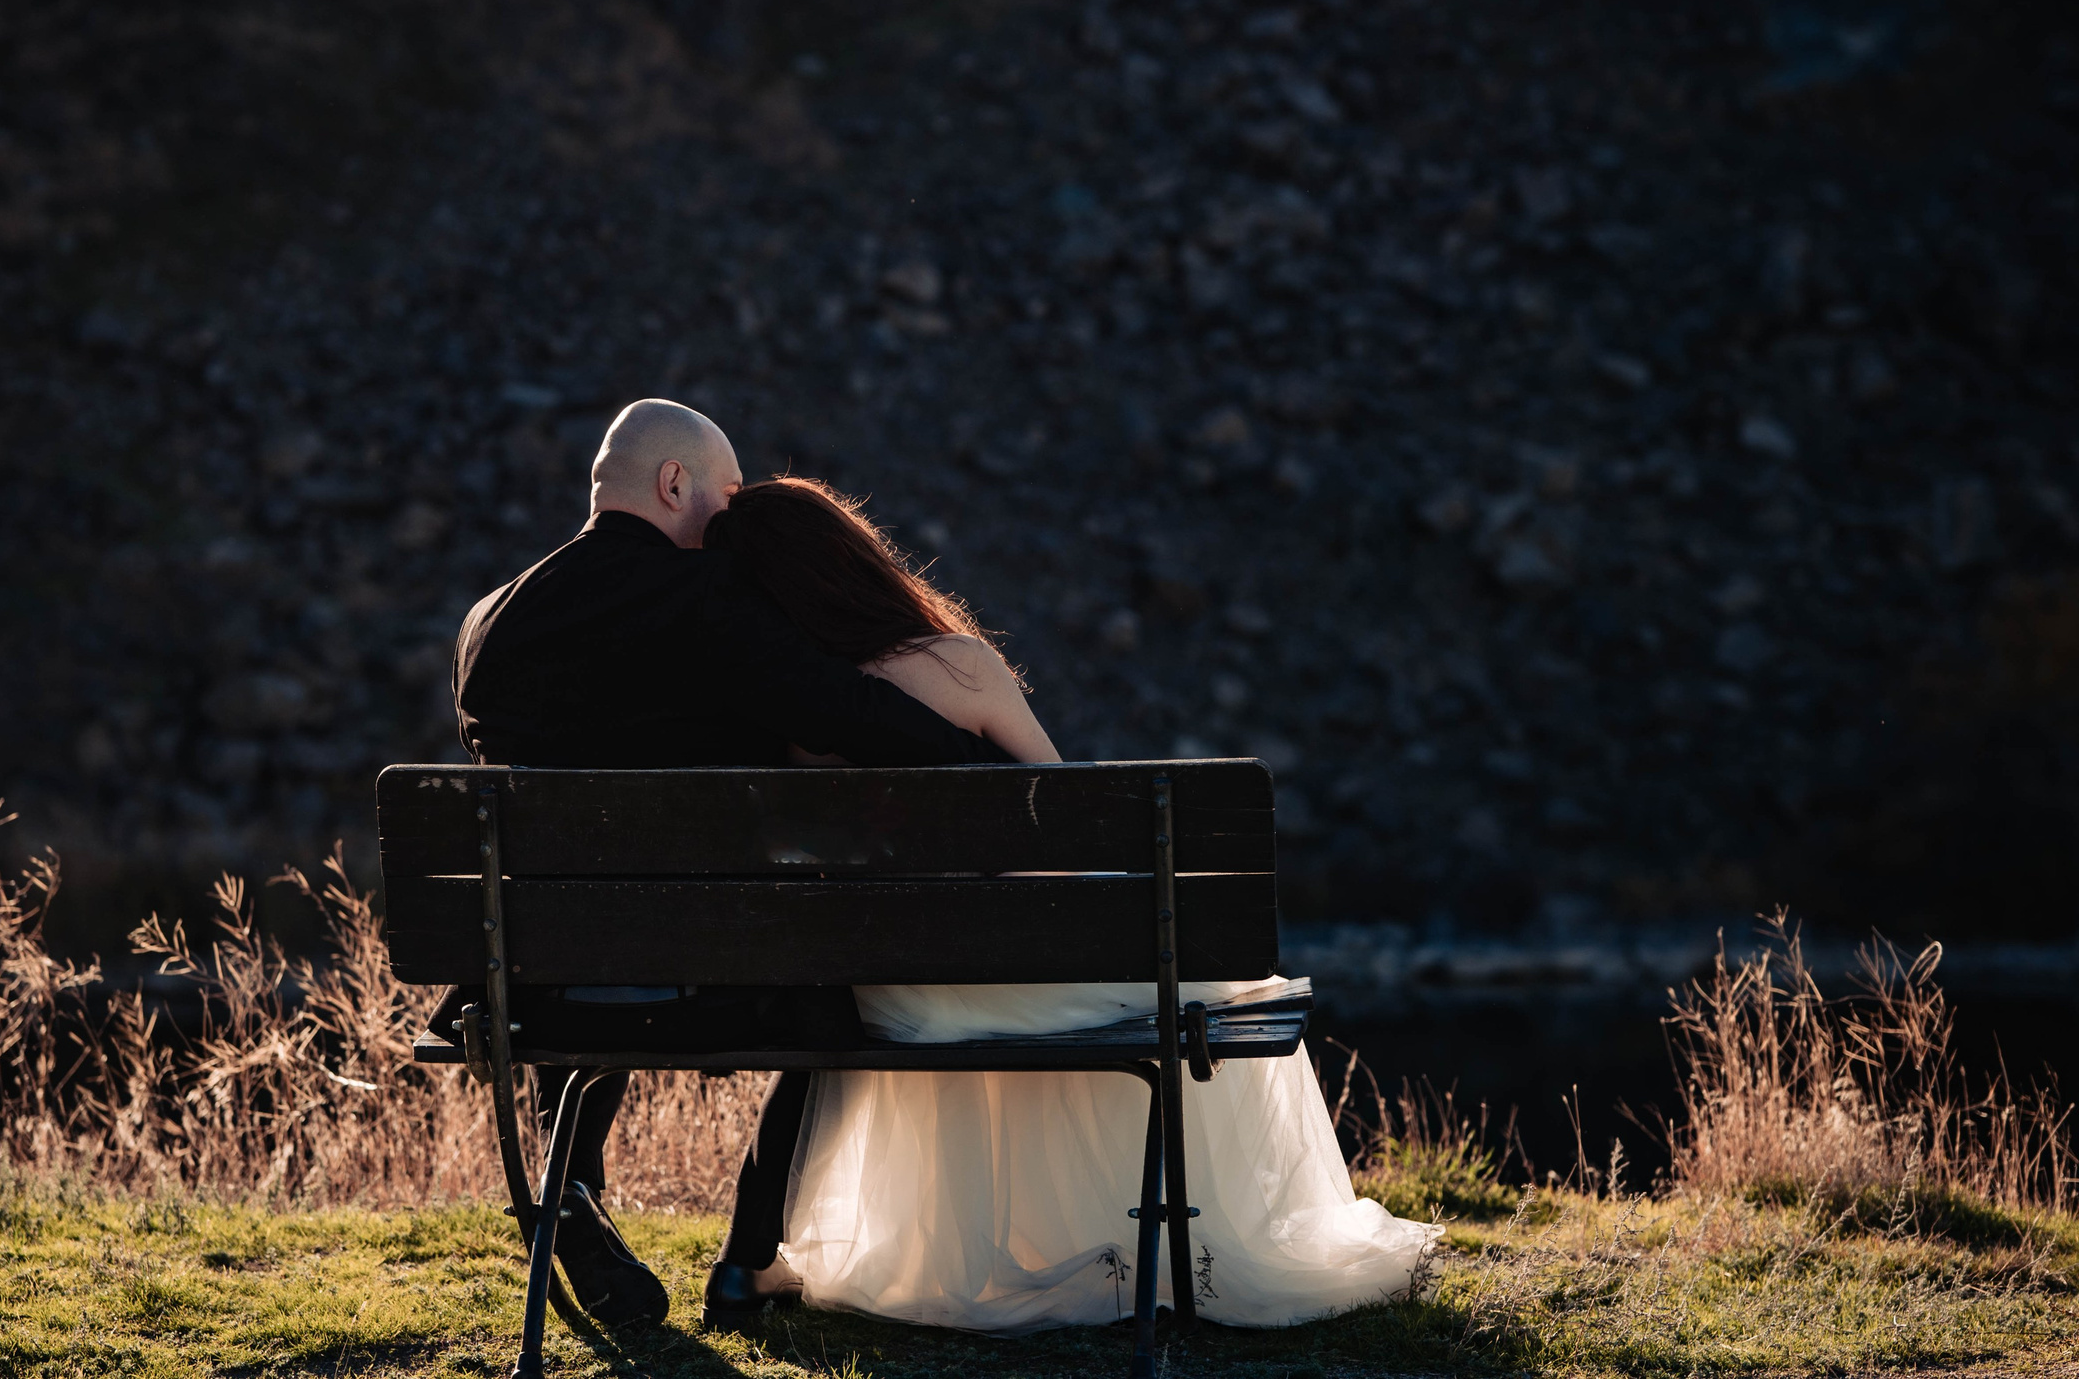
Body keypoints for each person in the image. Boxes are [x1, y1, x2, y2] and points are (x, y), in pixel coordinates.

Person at [702, 477, 1439, 1331]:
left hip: (896, 999)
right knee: (1224, 988)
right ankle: (1164, 1250)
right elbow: (1068, 835)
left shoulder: (785, 722)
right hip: (1023, 970)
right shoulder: (958, 666)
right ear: (852, 561)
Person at [448, 401, 1010, 1331]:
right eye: (728, 494)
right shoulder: (703, 599)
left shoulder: (488, 622)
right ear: (676, 485)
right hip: (725, 977)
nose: (735, 518)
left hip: (541, 978)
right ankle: (747, 1260)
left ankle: (570, 1189)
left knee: (588, 934)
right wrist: (997, 776)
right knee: (848, 993)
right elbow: (847, 712)